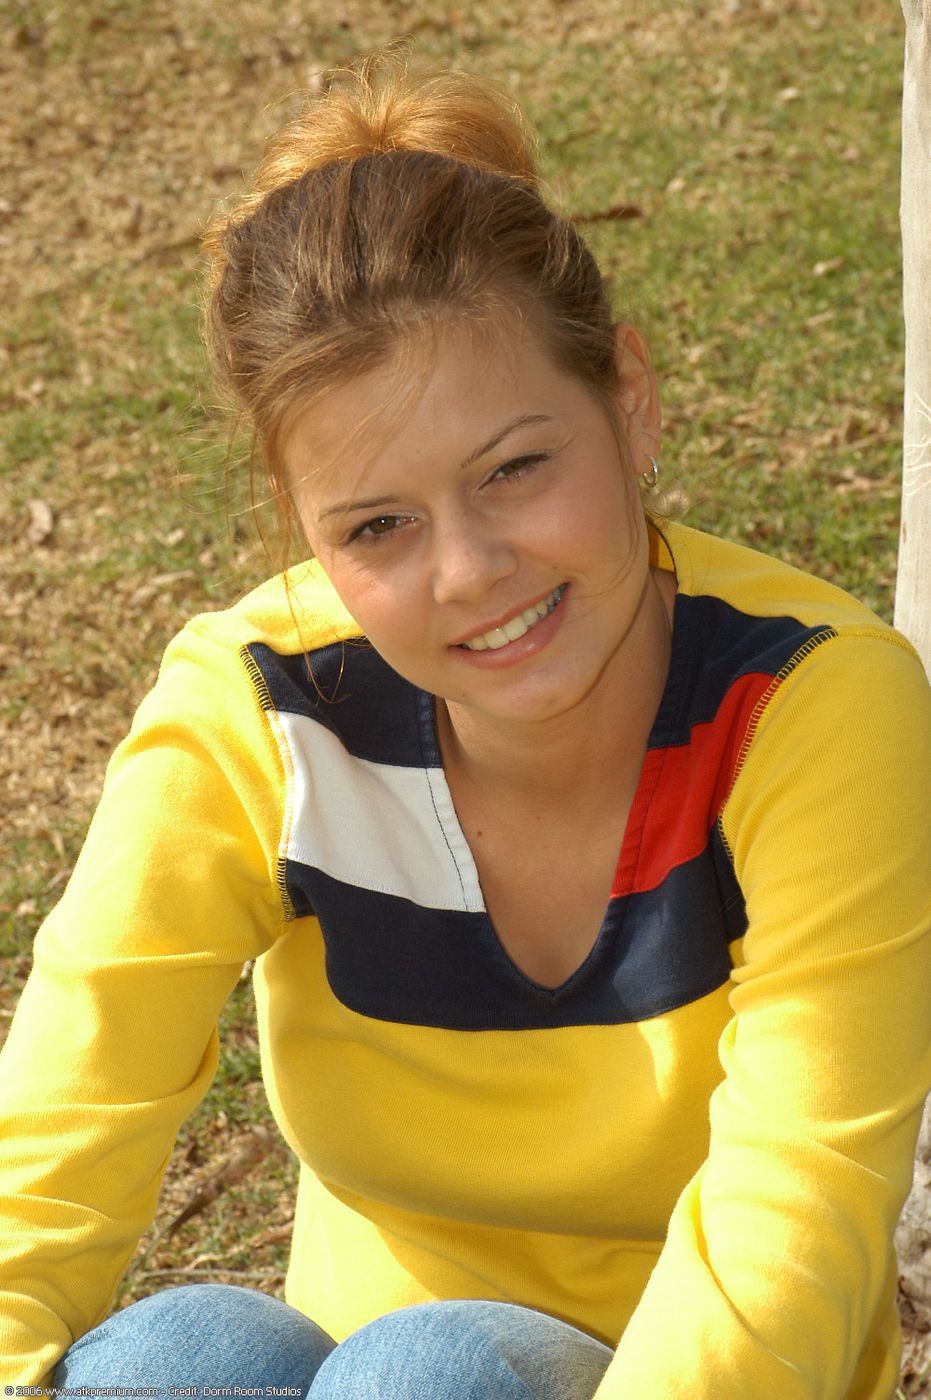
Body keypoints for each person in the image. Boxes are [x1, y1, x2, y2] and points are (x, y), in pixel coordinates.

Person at [1, 45, 929, 1400]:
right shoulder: (262, 709)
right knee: (173, 1359)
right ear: (306, 532)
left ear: (630, 398)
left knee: (426, 1371)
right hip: (352, 1374)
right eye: (378, 527)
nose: (469, 571)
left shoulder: (809, 699)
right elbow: (56, 1131)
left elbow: (799, 1208)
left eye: (516, 468)